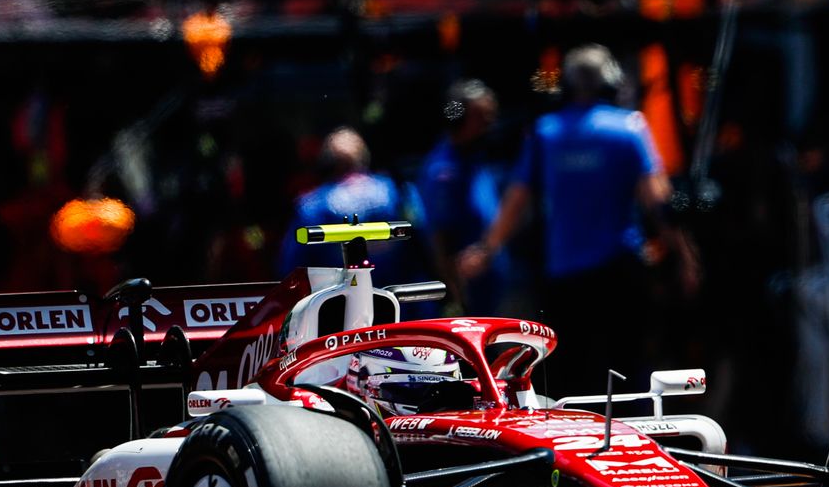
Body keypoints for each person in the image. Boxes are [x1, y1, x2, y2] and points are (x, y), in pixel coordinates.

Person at [458, 44, 699, 390]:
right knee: (625, 368)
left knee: (571, 376)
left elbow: (516, 201)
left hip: (565, 278)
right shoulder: (629, 128)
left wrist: (485, 250)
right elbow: (658, 201)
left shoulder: (546, 133)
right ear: (610, 83)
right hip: (619, 271)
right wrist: (685, 256)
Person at [277, 128, 425, 275]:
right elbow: (426, 236)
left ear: (328, 163)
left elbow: (290, 266)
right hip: (404, 287)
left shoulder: (313, 205)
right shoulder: (399, 191)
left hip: (343, 289)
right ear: (364, 157)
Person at [419, 80, 508, 313]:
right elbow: (439, 237)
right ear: (456, 118)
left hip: (496, 280)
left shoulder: (474, 157)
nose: (490, 123)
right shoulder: (444, 171)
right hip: (472, 290)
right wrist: (456, 295)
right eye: (481, 117)